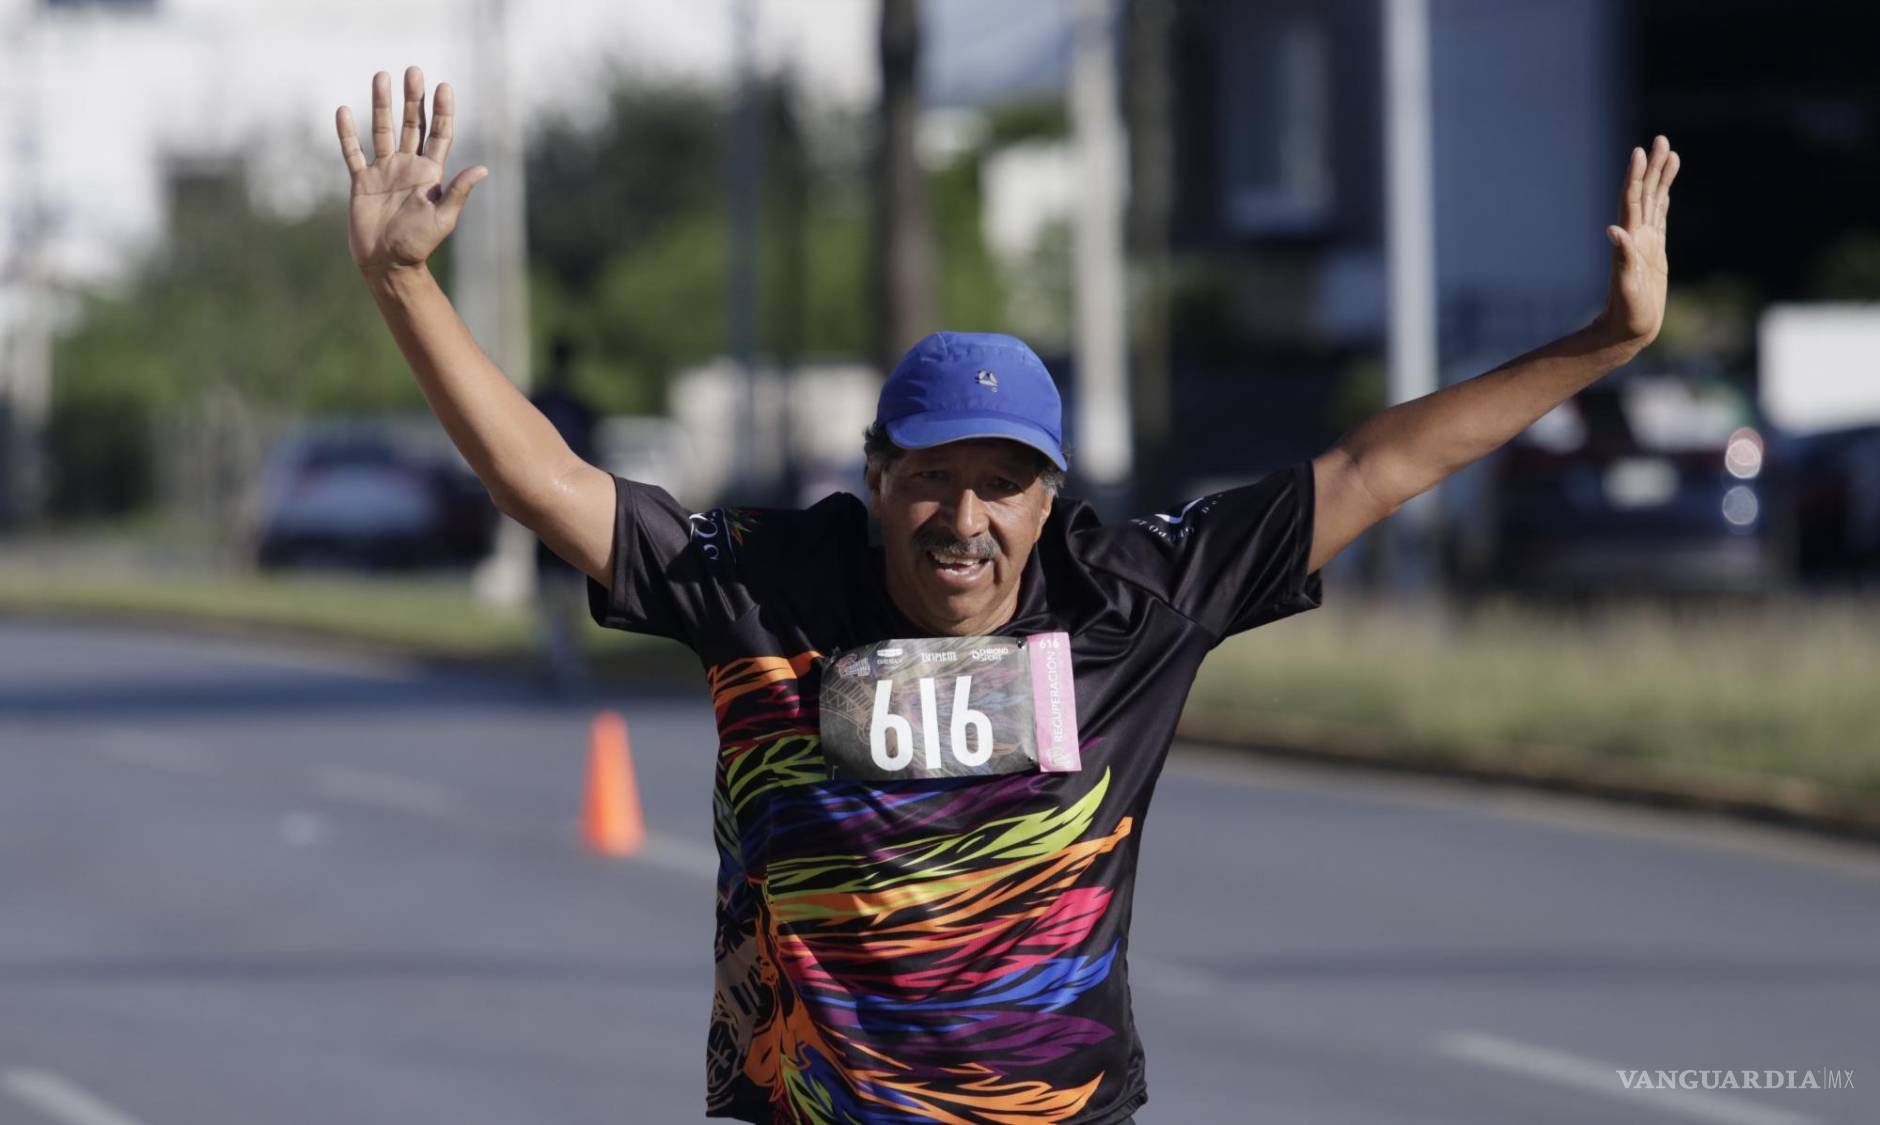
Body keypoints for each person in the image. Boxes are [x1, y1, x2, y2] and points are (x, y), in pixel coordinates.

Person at [338, 66, 1678, 1125]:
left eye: (1003, 484)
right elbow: (548, 483)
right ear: (874, 478)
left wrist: (1603, 343)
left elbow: (1376, 464)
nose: (964, 519)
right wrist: (405, 283)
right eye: (930, 478)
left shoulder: (1130, 600)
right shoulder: (764, 589)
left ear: (1049, 499)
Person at [528, 335, 599, 689]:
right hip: (576, 511)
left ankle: (558, 659)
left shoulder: (536, 405)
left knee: (553, 596)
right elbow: (598, 462)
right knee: (568, 595)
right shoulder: (581, 409)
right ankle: (565, 660)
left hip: (545, 512)